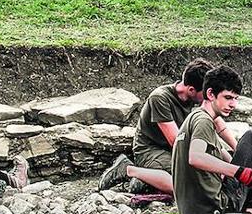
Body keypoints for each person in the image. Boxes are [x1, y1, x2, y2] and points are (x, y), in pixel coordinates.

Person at [171, 64, 252, 214]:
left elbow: (231, 160)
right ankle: (249, 210)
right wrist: (240, 172)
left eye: (236, 99)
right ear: (211, 94)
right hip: (215, 211)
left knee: (245, 153)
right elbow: (195, 157)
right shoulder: (203, 121)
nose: (233, 104)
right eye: (228, 98)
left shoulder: (194, 118)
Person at [97, 59, 230, 195]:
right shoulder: (160, 98)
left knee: (204, 176)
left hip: (173, 151)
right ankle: (128, 169)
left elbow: (217, 126)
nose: (210, 98)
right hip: (150, 150)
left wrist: (234, 156)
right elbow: (177, 142)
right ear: (191, 89)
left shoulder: (195, 98)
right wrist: (212, 166)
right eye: (206, 94)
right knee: (189, 188)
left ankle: (146, 180)